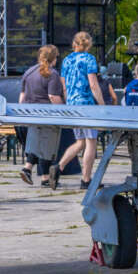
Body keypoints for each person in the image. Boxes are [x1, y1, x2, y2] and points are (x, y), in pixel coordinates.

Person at [51, 31, 105, 190]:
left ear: (74, 43)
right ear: (88, 45)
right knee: (91, 143)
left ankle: (59, 166)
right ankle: (86, 179)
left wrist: (69, 103)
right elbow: (94, 85)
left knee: (80, 142)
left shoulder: (66, 61)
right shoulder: (89, 59)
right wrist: (102, 105)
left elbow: (64, 86)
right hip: (87, 104)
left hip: (73, 104)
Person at [18, 45, 64, 188]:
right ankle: (37, 174)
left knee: (37, 143)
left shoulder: (29, 72)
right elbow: (53, 96)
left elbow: (22, 96)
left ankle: (34, 173)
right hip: (47, 115)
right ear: (53, 58)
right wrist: (64, 110)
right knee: (48, 146)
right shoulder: (52, 74)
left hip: (30, 114)